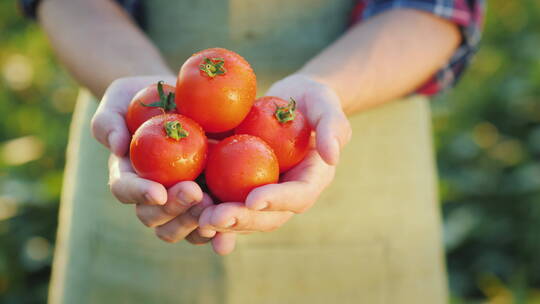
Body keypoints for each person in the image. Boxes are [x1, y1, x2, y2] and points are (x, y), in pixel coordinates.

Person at [28, 0, 484, 302]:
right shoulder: (154, 116)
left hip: (359, 166)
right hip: (140, 167)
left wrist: (328, 91)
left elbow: (436, 7)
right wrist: (151, 99)